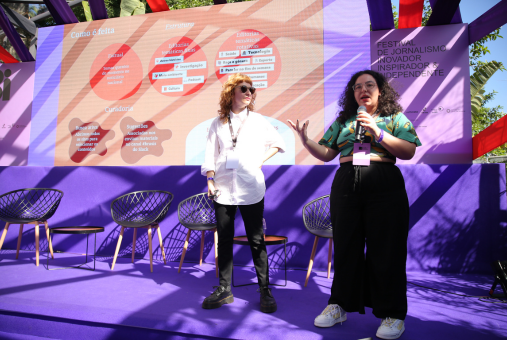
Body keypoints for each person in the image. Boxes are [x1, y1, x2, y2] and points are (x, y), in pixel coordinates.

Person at [288, 70, 421, 339]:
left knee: (387, 250)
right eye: (357, 86)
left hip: (384, 181)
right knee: (346, 246)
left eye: (369, 85)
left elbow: (408, 151)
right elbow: (326, 154)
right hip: (347, 181)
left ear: (381, 91)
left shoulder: (394, 118)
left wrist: (377, 133)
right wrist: (305, 141)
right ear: (352, 94)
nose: (363, 90)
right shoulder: (344, 121)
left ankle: (392, 314)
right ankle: (339, 305)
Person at [201, 73, 285, 313]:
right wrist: (210, 179)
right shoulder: (217, 123)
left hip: (251, 188)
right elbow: (210, 154)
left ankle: (265, 289)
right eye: (244, 89)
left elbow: (279, 143)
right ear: (231, 93)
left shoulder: (258, 120)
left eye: (252, 90)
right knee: (224, 240)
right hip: (223, 188)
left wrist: (259, 160)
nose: (249, 93)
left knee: (256, 239)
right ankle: (224, 289)